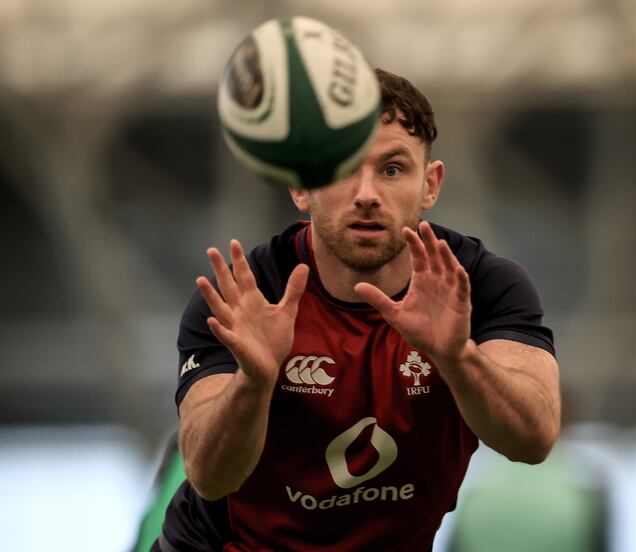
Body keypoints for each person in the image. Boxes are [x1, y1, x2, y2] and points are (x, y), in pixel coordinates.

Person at [156, 68, 561, 551]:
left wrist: (458, 358)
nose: (367, 194)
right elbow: (208, 475)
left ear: (430, 185)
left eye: (392, 170)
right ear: (301, 186)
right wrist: (254, 382)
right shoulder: (245, 296)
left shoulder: (481, 287)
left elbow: (534, 438)